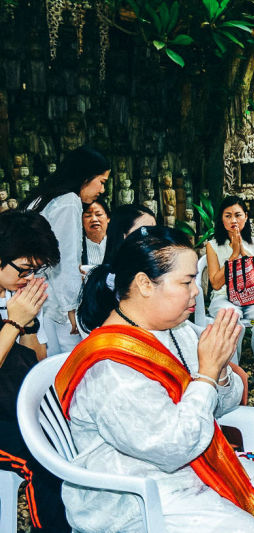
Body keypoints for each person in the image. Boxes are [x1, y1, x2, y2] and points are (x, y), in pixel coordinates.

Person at [65, 226, 254, 532]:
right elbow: (171, 449)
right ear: (144, 284)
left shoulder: (176, 330)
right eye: (187, 281)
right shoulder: (110, 366)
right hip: (133, 492)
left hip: (186, 468)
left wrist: (219, 372)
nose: (197, 290)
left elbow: (219, 408)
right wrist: (206, 376)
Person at [0, 210, 69, 531]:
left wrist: (27, 323)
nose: (29, 278)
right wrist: (13, 322)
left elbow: (36, 362)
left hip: (18, 406)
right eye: (25, 269)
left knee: (76, 436)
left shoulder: (14, 297)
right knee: (43, 460)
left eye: (37, 270)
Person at [27, 145, 109, 353]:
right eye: (101, 182)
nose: (102, 190)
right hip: (51, 301)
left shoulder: (45, 198)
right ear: (85, 176)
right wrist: (72, 309)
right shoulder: (68, 202)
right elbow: (65, 260)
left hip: (32, 292)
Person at [205, 196, 254, 389]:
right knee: (231, 316)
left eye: (238, 215)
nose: (233, 220)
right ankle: (233, 373)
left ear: (246, 217)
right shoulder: (213, 246)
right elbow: (214, 283)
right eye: (228, 216)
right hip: (224, 297)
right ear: (221, 220)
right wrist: (232, 256)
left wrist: (244, 253)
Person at [81, 199, 110, 267]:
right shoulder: (77, 247)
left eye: (98, 214)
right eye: (88, 216)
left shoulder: (119, 244)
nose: (94, 219)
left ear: (108, 218)